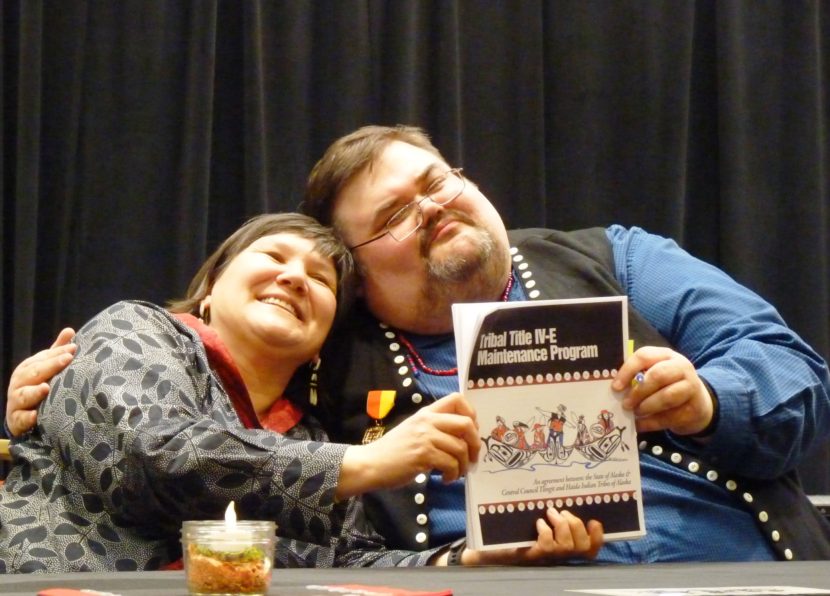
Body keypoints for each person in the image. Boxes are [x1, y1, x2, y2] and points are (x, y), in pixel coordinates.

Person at [10, 124, 830, 564]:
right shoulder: (328, 354)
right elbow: (205, 434)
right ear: (359, 278)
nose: (432, 208)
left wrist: (712, 401)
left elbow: (797, 373)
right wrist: (36, 417)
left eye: (437, 182)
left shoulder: (617, 258)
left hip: (739, 571)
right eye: (393, 218)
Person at [1, 212, 602, 573]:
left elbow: (355, 565)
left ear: (321, 343)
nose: (294, 276)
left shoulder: (306, 436)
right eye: (273, 256)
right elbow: (161, 458)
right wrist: (367, 461)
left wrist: (470, 560)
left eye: (320, 279)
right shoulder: (134, 329)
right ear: (211, 286)